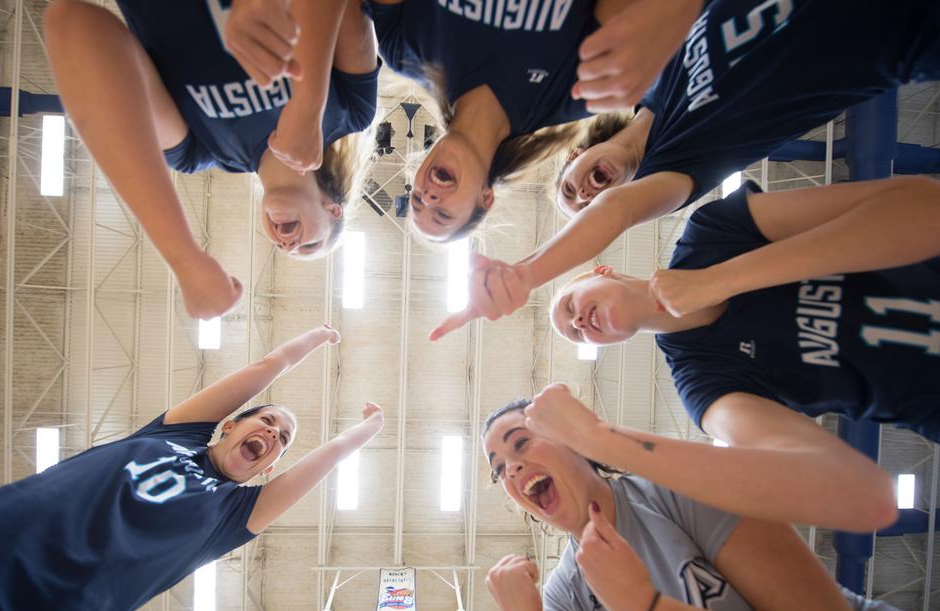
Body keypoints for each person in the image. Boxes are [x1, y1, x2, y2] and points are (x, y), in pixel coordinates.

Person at [429, 0, 940, 338]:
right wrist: (526, 274)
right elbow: (617, 209)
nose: (585, 195)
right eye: (584, 205)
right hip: (905, 28)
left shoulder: (648, 77)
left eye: (570, 188)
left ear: (574, 156)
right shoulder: (676, 171)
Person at [0, 325, 384, 611]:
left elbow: (325, 461)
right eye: (267, 419)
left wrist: (369, 429)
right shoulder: (177, 433)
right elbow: (262, 369)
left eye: (282, 439)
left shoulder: (231, 516)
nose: (272, 432)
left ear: (268, 467)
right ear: (228, 425)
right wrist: (317, 336)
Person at [534, 176, 940, 530]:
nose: (579, 324)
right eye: (577, 334)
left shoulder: (715, 234)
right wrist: (599, 441)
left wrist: (718, 280)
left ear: (599, 272)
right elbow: (838, 481)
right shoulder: (704, 386)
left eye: (570, 306)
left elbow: (925, 206)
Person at [483, 398, 940, 611]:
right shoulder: (565, 596)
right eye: (499, 470)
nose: (513, 468)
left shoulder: (675, 488)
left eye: (521, 442)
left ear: (574, 441)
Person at [44, 0, 379, 318]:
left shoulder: (197, 150)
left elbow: (72, 24)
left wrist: (184, 258)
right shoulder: (351, 111)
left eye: (283, 250)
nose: (288, 246)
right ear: (334, 210)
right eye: (310, 246)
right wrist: (308, 105)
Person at [363, 0, 703, 241]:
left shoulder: (402, 49)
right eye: (442, 214)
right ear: (485, 198)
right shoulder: (575, 92)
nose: (428, 197)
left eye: (418, 200)